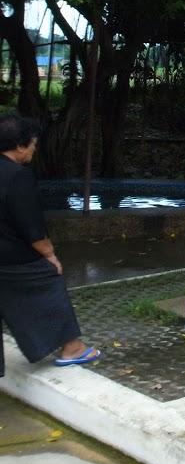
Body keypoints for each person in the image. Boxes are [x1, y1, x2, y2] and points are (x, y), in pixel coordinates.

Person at [0, 113, 100, 374]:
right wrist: (51, 256)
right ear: (20, 145)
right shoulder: (17, 176)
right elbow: (32, 227)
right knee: (48, 278)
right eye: (33, 143)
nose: (35, 149)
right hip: (11, 258)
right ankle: (72, 347)